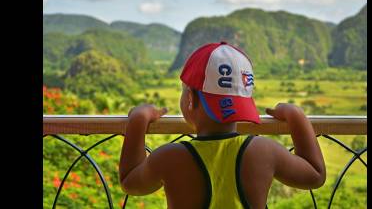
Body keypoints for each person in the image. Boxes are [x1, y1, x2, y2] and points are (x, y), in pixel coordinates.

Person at [119, 42, 326, 209]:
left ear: (190, 99)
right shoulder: (264, 151)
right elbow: (315, 176)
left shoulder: (171, 156)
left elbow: (130, 182)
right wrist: (296, 116)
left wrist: (138, 120)